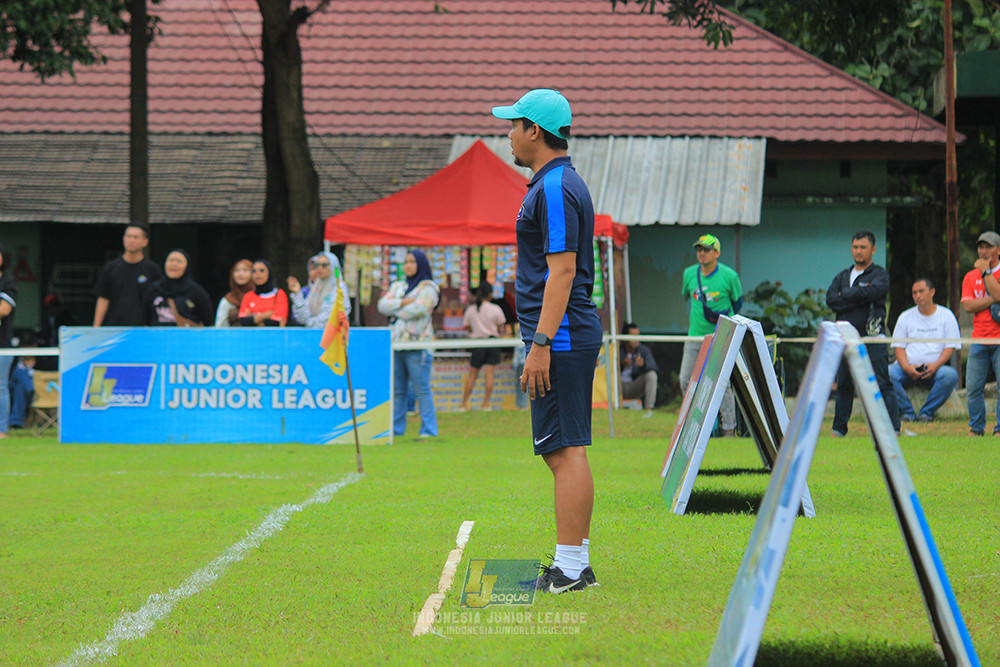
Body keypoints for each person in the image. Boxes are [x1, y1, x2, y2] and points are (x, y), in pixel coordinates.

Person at [493, 88, 603, 592]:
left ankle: (571, 569)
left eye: (513, 125)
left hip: (559, 336)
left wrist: (539, 344)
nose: (508, 135)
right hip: (563, 333)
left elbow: (562, 273)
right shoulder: (555, 183)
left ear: (534, 131)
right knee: (564, 448)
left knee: (564, 451)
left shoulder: (555, 187)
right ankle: (574, 563)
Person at [826, 231, 900, 436]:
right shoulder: (842, 276)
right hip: (845, 337)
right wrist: (858, 294)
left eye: (863, 247)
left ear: (873, 250)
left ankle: (894, 429)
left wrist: (847, 294)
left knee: (882, 383)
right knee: (844, 384)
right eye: (855, 247)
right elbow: (831, 300)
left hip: (872, 336)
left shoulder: (880, 274)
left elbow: (874, 292)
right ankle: (838, 430)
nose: (858, 251)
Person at [679, 234, 742, 436]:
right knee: (685, 379)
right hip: (695, 337)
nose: (701, 253)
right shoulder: (689, 274)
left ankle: (729, 429)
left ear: (717, 253)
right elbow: (685, 296)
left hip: (721, 337)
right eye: (699, 249)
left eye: (706, 249)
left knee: (722, 383)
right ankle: (695, 427)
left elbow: (737, 304)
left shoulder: (730, 276)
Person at [377, 249, 440, 438]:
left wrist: (395, 307)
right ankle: (396, 430)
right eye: (406, 262)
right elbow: (382, 305)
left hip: (418, 345)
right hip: (397, 343)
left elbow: (420, 309)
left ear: (420, 264)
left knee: (421, 388)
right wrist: (403, 303)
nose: (408, 265)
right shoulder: (399, 285)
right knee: (398, 389)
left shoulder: (429, 288)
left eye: (412, 262)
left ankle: (429, 430)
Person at [888, 278, 961, 424]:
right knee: (887, 373)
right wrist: (906, 367)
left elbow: (950, 347)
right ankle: (908, 413)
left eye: (921, 291)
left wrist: (935, 366)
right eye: (914, 293)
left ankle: (926, 414)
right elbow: (899, 347)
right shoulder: (905, 316)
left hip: (934, 368)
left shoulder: (946, 315)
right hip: (907, 368)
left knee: (950, 375)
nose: (917, 296)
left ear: (932, 292)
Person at [961, 230, 1000, 436]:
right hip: (979, 338)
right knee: (974, 388)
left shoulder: (985, 273)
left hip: (999, 339)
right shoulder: (969, 276)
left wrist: (987, 273)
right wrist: (993, 299)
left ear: (998, 250)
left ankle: (999, 429)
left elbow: (999, 294)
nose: (983, 251)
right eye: (981, 247)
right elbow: (968, 306)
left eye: (988, 247)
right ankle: (976, 428)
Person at [92, 222, 162, 326]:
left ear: (145, 242)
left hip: (143, 329)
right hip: (115, 329)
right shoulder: (110, 268)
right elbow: (103, 298)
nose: (131, 240)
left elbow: (158, 301)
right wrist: (96, 327)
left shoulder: (153, 269)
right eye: (128, 236)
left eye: (136, 237)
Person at [460, 282, 509, 412]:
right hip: (493, 342)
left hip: (477, 343)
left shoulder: (471, 309)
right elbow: (500, 327)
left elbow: (467, 327)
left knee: (473, 373)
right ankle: (486, 405)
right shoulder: (495, 308)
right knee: (489, 374)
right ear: (490, 294)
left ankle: (463, 404)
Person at [145, 250, 215, 327]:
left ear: (187, 266)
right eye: (170, 260)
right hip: (158, 337)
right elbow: (145, 317)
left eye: (179, 261)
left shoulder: (196, 291)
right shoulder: (154, 289)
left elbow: (208, 319)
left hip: (186, 337)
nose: (174, 264)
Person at [288, 252, 351, 329]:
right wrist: (297, 294)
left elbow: (333, 317)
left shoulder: (339, 287)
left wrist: (310, 324)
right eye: (317, 265)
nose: (319, 268)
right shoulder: (315, 288)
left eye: (324, 265)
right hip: (315, 335)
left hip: (334, 337)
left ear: (333, 267)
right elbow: (302, 319)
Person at [620, 322, 659, 418]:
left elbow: (654, 367)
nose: (636, 339)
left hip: (634, 386)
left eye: (638, 336)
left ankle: (649, 409)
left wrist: (644, 365)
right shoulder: (617, 350)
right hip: (618, 387)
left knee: (651, 375)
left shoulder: (643, 350)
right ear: (625, 338)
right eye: (633, 336)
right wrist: (622, 365)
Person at [0, 243, 18, 439]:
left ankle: (1, 429)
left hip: (2, 345)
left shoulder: (8, 281)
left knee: (0, 387)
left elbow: (4, 309)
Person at [238, 260, 288, 327]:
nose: (257, 274)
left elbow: (276, 322)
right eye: (254, 271)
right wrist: (266, 315)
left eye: (261, 270)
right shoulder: (248, 296)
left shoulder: (279, 294)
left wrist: (253, 319)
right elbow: (243, 321)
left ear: (269, 273)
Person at [215, 259, 254, 327]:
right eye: (237, 270)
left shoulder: (261, 296)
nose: (240, 274)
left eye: (245, 270)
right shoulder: (228, 300)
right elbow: (220, 326)